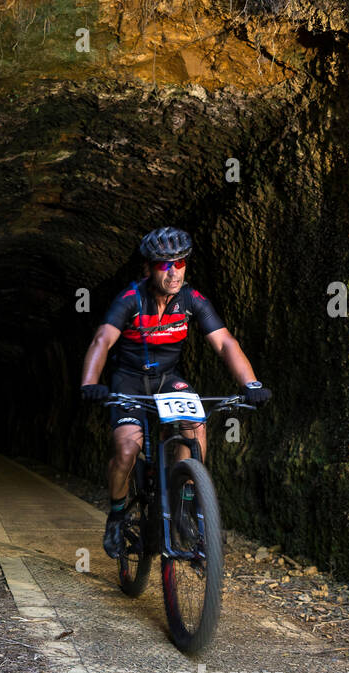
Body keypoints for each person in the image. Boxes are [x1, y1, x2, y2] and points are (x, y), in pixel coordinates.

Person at [78, 227, 272, 559]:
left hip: (168, 379)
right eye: (163, 264)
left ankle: (183, 505)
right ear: (148, 268)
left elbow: (225, 342)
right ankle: (117, 514)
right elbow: (102, 340)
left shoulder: (192, 300)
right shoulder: (130, 299)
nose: (173, 272)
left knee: (196, 427)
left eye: (180, 263)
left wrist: (251, 384)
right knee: (126, 450)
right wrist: (90, 382)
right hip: (129, 380)